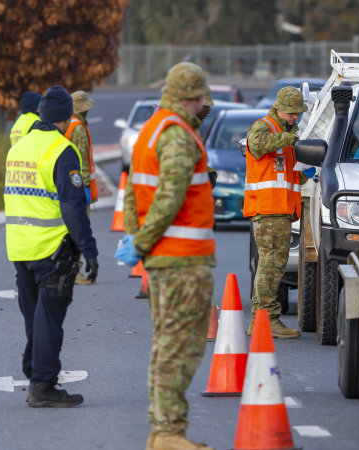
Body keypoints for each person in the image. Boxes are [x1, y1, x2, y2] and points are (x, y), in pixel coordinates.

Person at [115, 62, 215, 450]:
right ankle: (170, 432)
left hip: (163, 258)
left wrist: (136, 238)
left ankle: (162, 430)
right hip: (182, 260)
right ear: (193, 97)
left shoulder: (151, 131)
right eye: (202, 98)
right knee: (181, 348)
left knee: (165, 345)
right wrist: (142, 241)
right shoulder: (176, 136)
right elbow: (170, 198)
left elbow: (132, 193)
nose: (204, 104)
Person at [4, 85, 99, 407]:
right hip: (51, 247)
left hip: (19, 247)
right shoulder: (61, 149)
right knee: (49, 321)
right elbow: (73, 207)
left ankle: (35, 374)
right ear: (66, 117)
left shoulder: (18, 148)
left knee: (35, 319)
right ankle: (43, 385)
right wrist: (89, 249)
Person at [244, 86, 308, 339]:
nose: (295, 117)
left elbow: (292, 174)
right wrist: (290, 138)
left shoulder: (286, 132)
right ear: (279, 108)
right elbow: (257, 146)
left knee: (272, 267)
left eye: (298, 113)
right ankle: (266, 319)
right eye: (291, 112)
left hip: (281, 210)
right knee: (270, 267)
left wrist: (306, 171)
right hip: (269, 209)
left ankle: (261, 320)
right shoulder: (264, 127)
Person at [64, 91, 98, 285]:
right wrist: (84, 188)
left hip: (68, 186)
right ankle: (75, 271)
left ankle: (70, 269)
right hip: (79, 186)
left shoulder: (67, 124)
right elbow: (82, 160)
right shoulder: (79, 129)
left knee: (69, 229)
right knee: (79, 229)